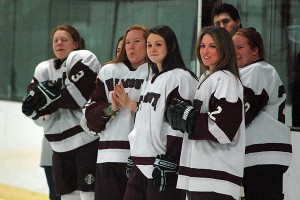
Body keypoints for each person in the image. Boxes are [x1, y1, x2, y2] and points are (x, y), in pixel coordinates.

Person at [22, 24, 101, 200]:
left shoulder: (84, 58)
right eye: (55, 40)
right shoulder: (43, 68)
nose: (59, 43)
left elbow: (75, 98)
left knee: (89, 194)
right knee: (66, 195)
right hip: (57, 147)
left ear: (76, 44)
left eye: (64, 40)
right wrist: (49, 103)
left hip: (86, 141)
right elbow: (31, 109)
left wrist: (47, 103)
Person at [119, 25, 198, 200]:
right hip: (140, 165)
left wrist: (172, 159)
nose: (152, 49)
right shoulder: (150, 78)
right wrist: (136, 152)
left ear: (172, 46)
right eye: (149, 45)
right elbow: (144, 118)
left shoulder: (180, 78)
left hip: (163, 167)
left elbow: (180, 123)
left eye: (158, 44)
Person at [167, 26, 245, 200]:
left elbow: (224, 128)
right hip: (202, 175)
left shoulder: (225, 79)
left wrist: (190, 118)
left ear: (224, 49)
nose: (205, 51)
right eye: (202, 46)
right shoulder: (207, 77)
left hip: (216, 176)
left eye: (212, 46)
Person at [81, 25, 149, 200]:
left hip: (143, 159)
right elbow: (90, 117)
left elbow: (160, 113)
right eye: (128, 42)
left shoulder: (156, 73)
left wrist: (132, 104)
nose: (131, 47)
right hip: (109, 157)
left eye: (137, 41)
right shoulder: (108, 71)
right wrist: (111, 108)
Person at [232, 28, 292, 200]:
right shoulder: (252, 71)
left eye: (240, 47)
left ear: (255, 50)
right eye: (232, 47)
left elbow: (243, 112)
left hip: (263, 154)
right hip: (262, 154)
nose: (235, 52)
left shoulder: (258, 70)